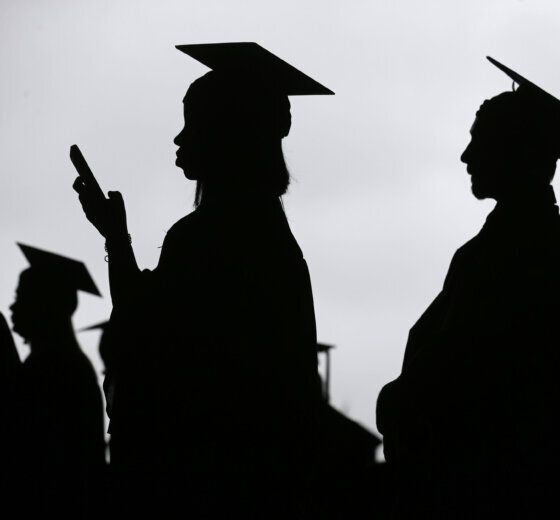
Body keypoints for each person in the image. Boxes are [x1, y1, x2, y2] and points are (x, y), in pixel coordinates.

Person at [72, 42, 331, 517]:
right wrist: (117, 238)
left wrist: (118, 242)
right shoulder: (262, 234)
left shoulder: (213, 238)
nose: (179, 138)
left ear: (228, 133)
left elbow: (144, 337)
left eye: (192, 123)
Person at [376, 56, 560, 518]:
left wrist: (398, 401)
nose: (466, 156)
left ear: (518, 150)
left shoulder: (523, 249)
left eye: (479, 141)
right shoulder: (526, 242)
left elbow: (469, 371)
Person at [8, 244, 105, 519]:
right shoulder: (68, 365)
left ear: (47, 306)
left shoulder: (52, 370)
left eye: (22, 296)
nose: (13, 306)